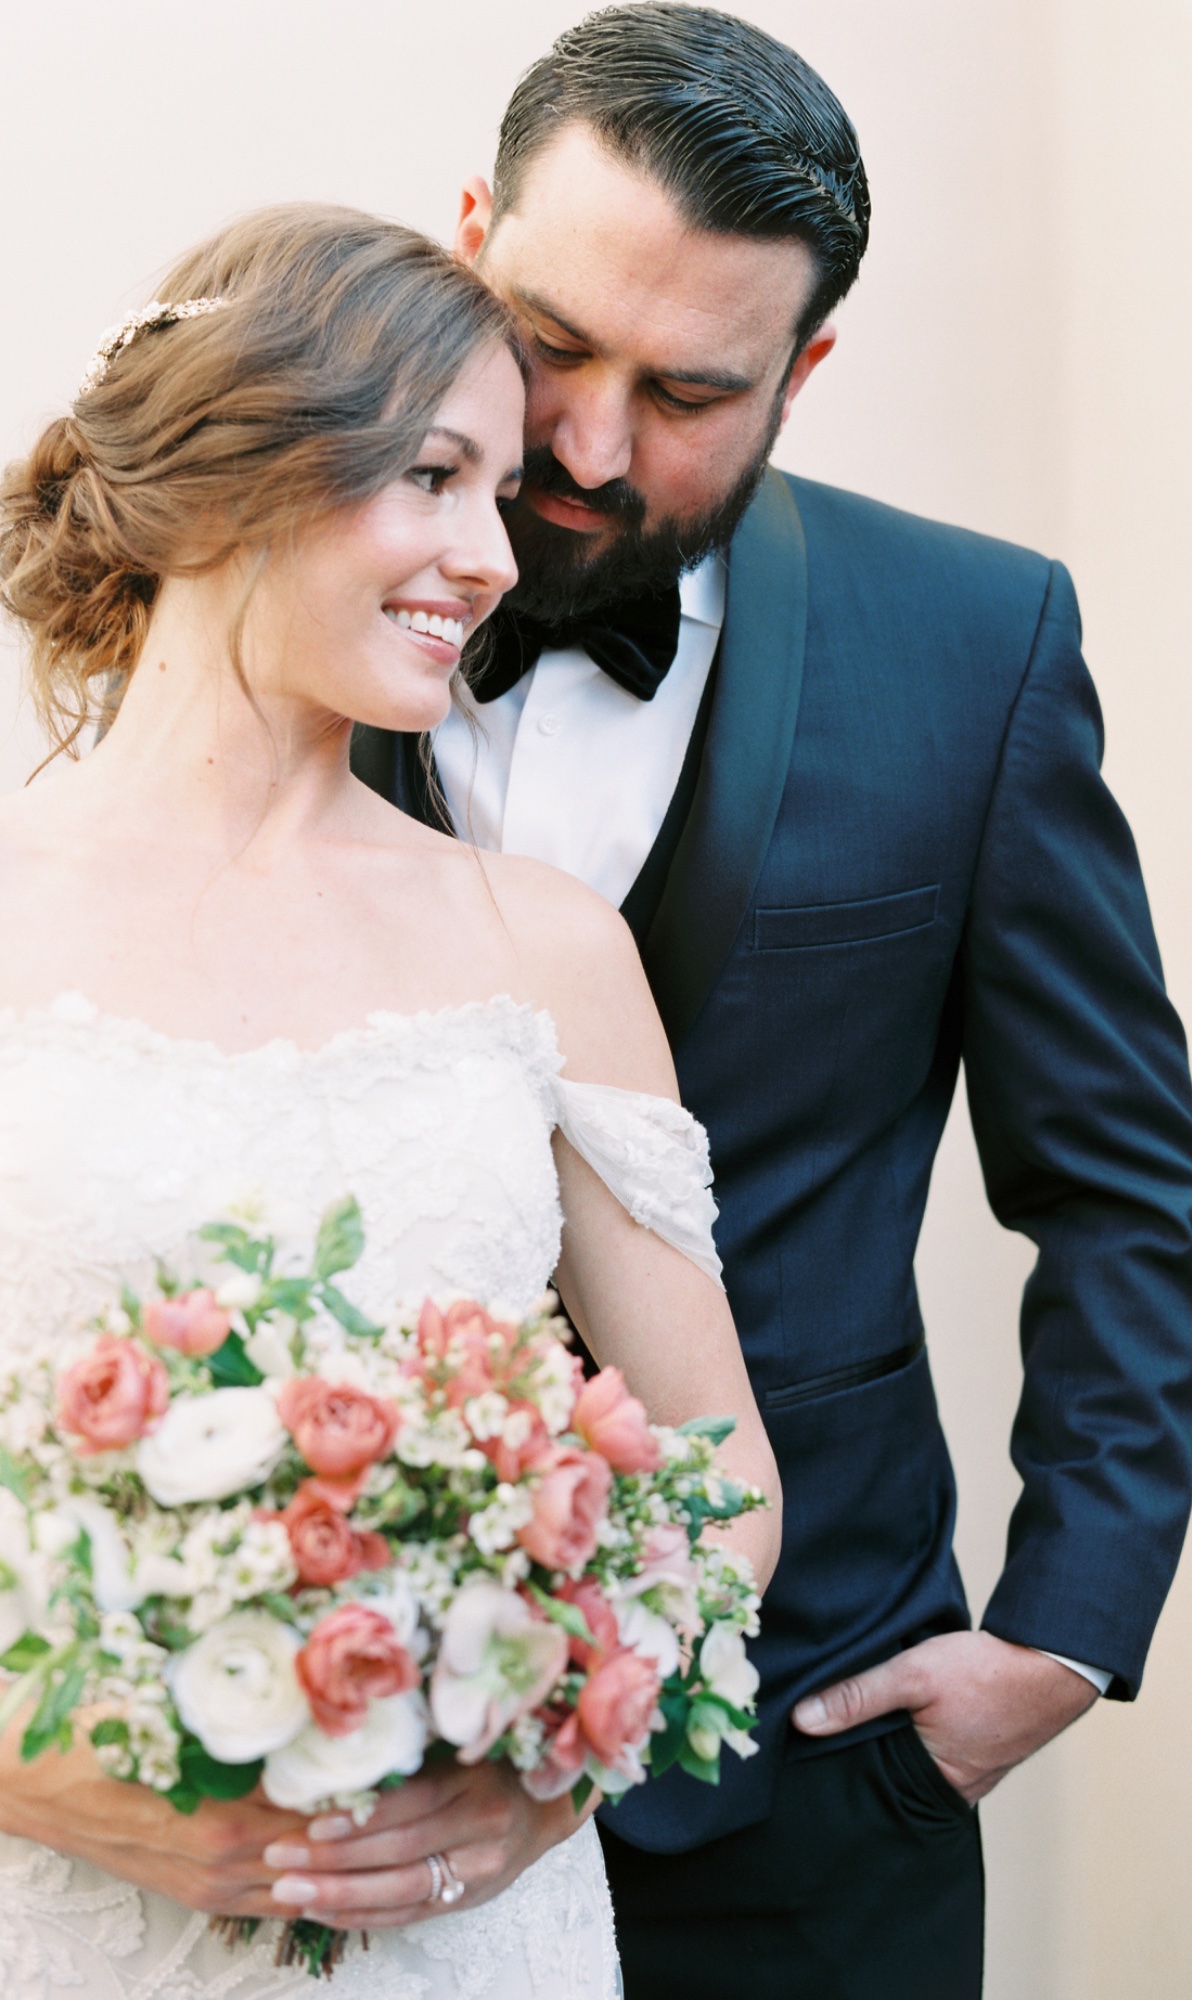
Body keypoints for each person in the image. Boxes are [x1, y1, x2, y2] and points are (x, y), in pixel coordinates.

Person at [0, 205, 781, 1998]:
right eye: (432, 475)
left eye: (496, 494)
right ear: (232, 468)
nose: (490, 555)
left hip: (461, 1928)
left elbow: (720, 1472)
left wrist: (544, 1785)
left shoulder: (549, 946)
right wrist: (15, 1767)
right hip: (34, 1914)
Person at [352, 7, 1192, 1997]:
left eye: (693, 388)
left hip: (808, 1754)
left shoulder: (981, 645)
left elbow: (1129, 1183)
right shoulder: (262, 604)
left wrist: (1061, 1631)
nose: (586, 446)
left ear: (806, 370)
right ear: (465, 234)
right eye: (550, 340)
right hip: (337, 1768)